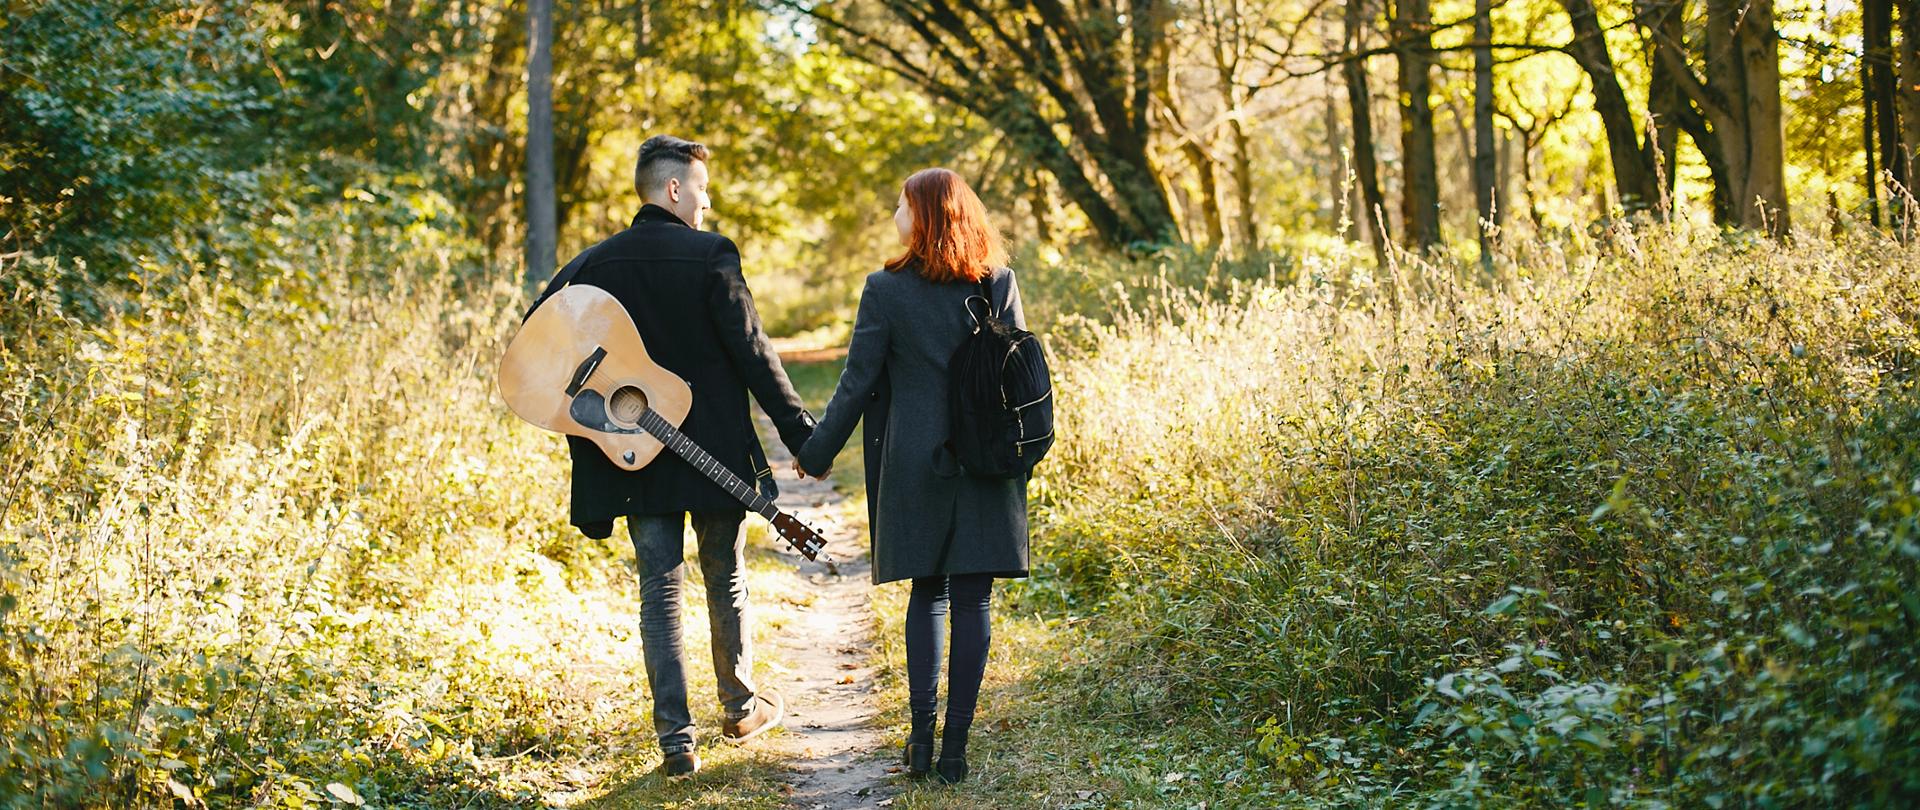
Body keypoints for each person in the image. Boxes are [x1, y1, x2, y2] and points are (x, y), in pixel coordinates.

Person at [528, 134, 816, 778]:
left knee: (658, 588)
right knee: (725, 575)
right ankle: (740, 708)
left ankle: (676, 741)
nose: (708, 204)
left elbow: (534, 339)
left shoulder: (594, 265)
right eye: (703, 190)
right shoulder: (711, 254)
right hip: (711, 448)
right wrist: (803, 438)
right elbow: (753, 351)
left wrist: (593, 401)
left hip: (631, 454)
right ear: (675, 189)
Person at [795, 168, 1030, 785]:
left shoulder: (886, 289)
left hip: (915, 463)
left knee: (929, 593)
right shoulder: (997, 283)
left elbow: (857, 382)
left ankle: (922, 740)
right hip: (986, 459)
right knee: (975, 597)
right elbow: (1020, 371)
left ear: (922, 216)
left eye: (902, 205)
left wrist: (817, 453)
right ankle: (955, 748)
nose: (896, 214)